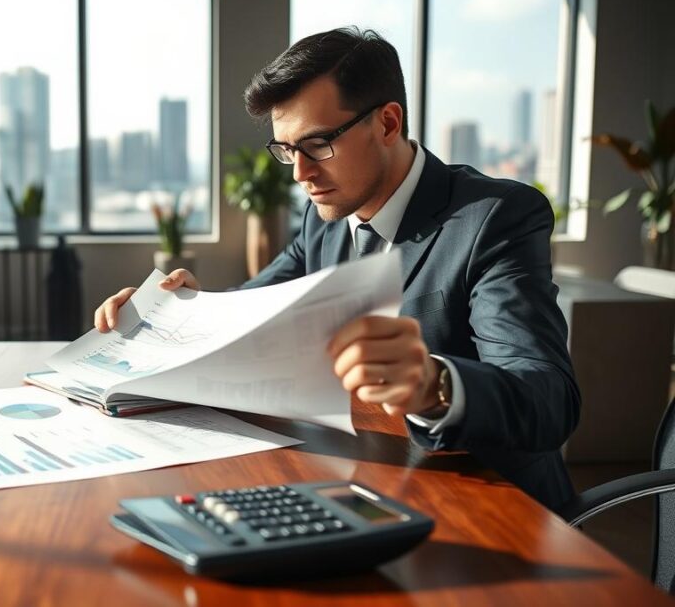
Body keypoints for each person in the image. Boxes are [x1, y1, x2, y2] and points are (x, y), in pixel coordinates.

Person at [94, 26, 579, 512]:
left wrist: (437, 383)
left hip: (494, 505)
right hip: (372, 482)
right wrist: (182, 309)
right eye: (286, 150)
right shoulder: (324, 217)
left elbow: (550, 397)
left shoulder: (495, 217)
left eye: (318, 144)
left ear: (388, 123)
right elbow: (255, 308)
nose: (300, 174)